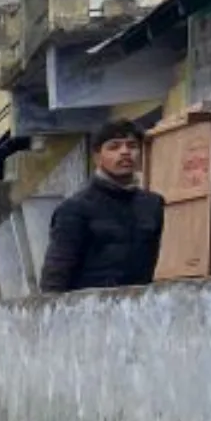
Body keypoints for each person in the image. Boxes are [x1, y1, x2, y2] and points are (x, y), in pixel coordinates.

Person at [41, 119, 166, 293]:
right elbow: (55, 275)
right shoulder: (75, 209)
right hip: (86, 310)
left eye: (132, 146)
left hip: (135, 310)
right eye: (114, 147)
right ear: (97, 157)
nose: (125, 152)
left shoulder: (152, 205)